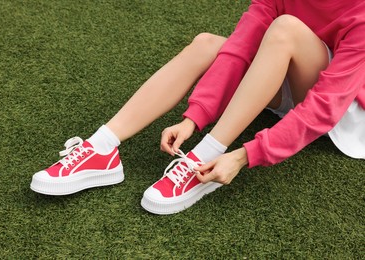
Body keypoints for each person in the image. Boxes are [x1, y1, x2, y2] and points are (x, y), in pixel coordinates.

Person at [30, 0, 365, 215]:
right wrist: (195, 116)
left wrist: (245, 154)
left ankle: (204, 157)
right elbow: (240, 47)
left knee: (286, 28)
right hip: (284, 72)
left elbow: (325, 106)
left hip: (340, 107)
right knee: (209, 43)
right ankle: (101, 148)